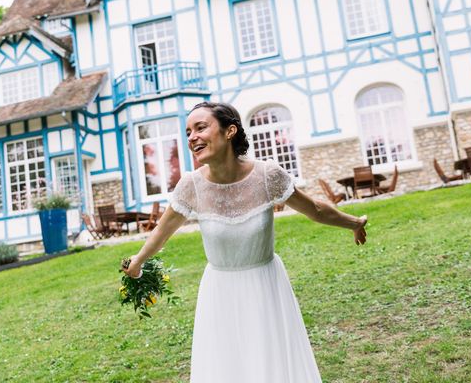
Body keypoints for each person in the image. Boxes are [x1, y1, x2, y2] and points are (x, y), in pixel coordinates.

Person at [122, 101, 367, 382]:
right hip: (219, 291)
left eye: (201, 128)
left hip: (266, 285)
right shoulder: (191, 186)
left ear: (230, 131)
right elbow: (162, 231)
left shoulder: (267, 176)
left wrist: (354, 223)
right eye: (188, 131)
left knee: (270, 363)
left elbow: (316, 209)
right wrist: (138, 261)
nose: (192, 137)